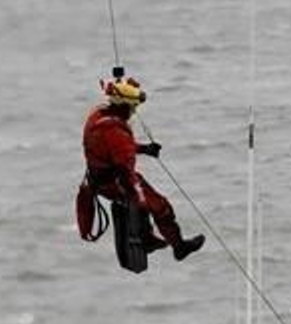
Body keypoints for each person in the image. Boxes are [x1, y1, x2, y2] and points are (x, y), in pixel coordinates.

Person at [77, 71, 205, 262]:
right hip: (116, 182)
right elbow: (125, 169)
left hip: (99, 179)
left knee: (147, 202)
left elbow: (111, 149)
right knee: (160, 207)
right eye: (133, 106)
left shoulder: (97, 117)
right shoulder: (115, 131)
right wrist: (140, 198)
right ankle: (178, 247)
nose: (134, 111)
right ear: (124, 105)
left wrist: (144, 149)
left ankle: (148, 237)